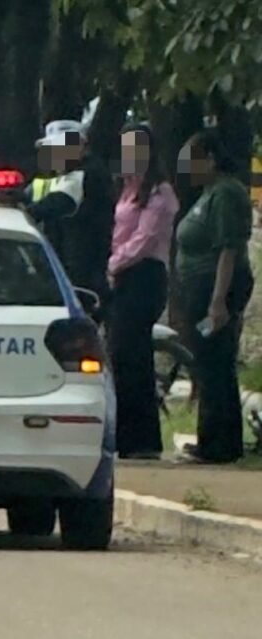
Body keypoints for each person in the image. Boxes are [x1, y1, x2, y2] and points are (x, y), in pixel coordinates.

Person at [175, 130, 255, 464]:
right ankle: (211, 437)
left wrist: (218, 300)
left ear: (209, 158)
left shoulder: (226, 193)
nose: (187, 169)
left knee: (216, 361)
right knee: (207, 363)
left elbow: (228, 248)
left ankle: (220, 444)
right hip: (200, 287)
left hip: (217, 287)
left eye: (192, 161)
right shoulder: (208, 192)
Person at [106, 123, 180, 460]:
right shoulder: (126, 189)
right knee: (121, 355)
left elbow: (144, 239)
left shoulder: (159, 193)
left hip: (143, 275)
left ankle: (143, 440)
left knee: (133, 354)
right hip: (123, 275)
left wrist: (114, 264)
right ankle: (124, 435)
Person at [25, 120, 116, 314]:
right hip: (69, 272)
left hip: (83, 277)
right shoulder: (62, 176)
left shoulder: (87, 175)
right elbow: (30, 196)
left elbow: (51, 205)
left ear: (79, 147)